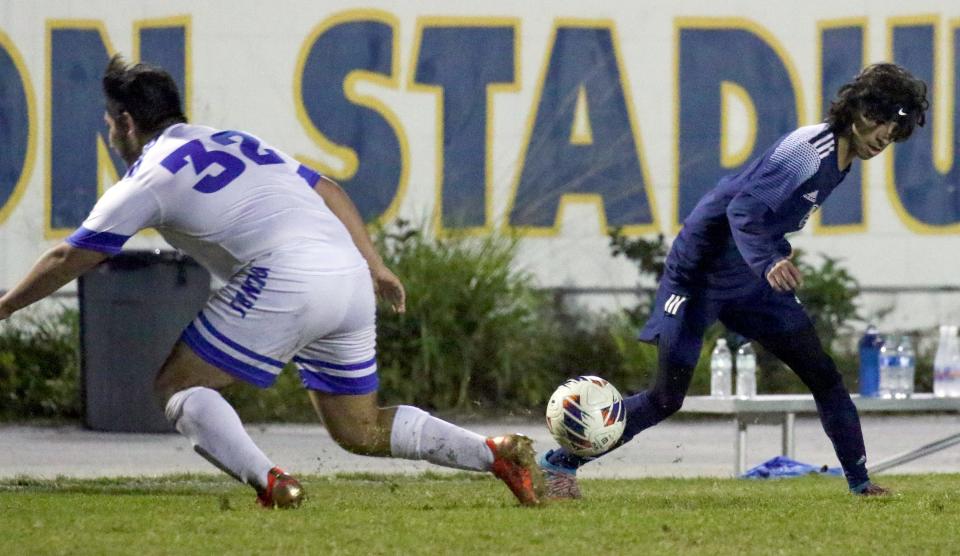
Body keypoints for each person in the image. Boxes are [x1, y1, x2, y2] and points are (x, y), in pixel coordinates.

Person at [0, 55, 545, 508]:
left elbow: (70, 254)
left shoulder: (150, 174)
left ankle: (271, 484)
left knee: (178, 387)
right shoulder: (234, 140)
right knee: (360, 430)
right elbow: (328, 188)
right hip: (348, 276)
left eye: (109, 123)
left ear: (122, 122)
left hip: (286, 279)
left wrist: (6, 306)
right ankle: (494, 453)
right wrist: (376, 266)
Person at [539, 62, 929, 498]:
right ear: (857, 108)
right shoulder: (809, 149)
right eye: (880, 122)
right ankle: (561, 463)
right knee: (666, 398)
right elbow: (741, 210)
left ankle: (860, 482)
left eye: (894, 134)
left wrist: (773, 250)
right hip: (698, 275)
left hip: (749, 276)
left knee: (823, 374)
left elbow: (764, 215)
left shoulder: (843, 160)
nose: (883, 137)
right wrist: (768, 260)